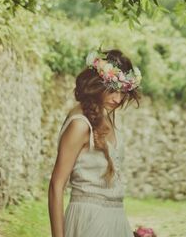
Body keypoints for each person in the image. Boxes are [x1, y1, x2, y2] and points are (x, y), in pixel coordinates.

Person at [48, 48, 142, 237]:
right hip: (88, 219)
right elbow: (56, 186)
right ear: (97, 84)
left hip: (114, 219)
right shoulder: (80, 125)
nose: (118, 99)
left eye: (123, 92)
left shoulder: (106, 117)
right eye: (112, 90)